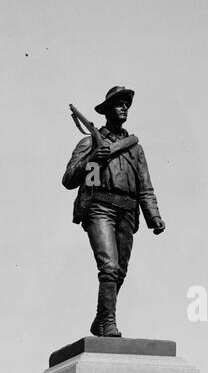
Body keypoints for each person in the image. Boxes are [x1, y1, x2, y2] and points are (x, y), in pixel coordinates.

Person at [62, 86, 166, 337]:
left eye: (126, 104)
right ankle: (108, 322)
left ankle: (100, 318)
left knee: (119, 271)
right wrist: (93, 160)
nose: (124, 108)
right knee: (109, 267)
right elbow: (69, 179)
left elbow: (145, 186)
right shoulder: (90, 142)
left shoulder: (134, 149)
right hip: (100, 208)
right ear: (107, 110)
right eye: (118, 104)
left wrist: (154, 216)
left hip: (127, 212)